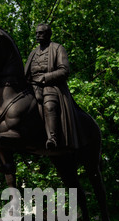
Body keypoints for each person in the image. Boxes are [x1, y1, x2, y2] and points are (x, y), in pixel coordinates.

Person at [25, 23, 85, 151]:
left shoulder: (58, 48)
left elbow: (64, 70)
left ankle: (52, 138)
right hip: (32, 86)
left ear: (48, 34)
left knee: (49, 106)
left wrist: (45, 77)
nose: (37, 35)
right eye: (36, 33)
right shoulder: (33, 53)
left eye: (40, 33)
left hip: (50, 86)